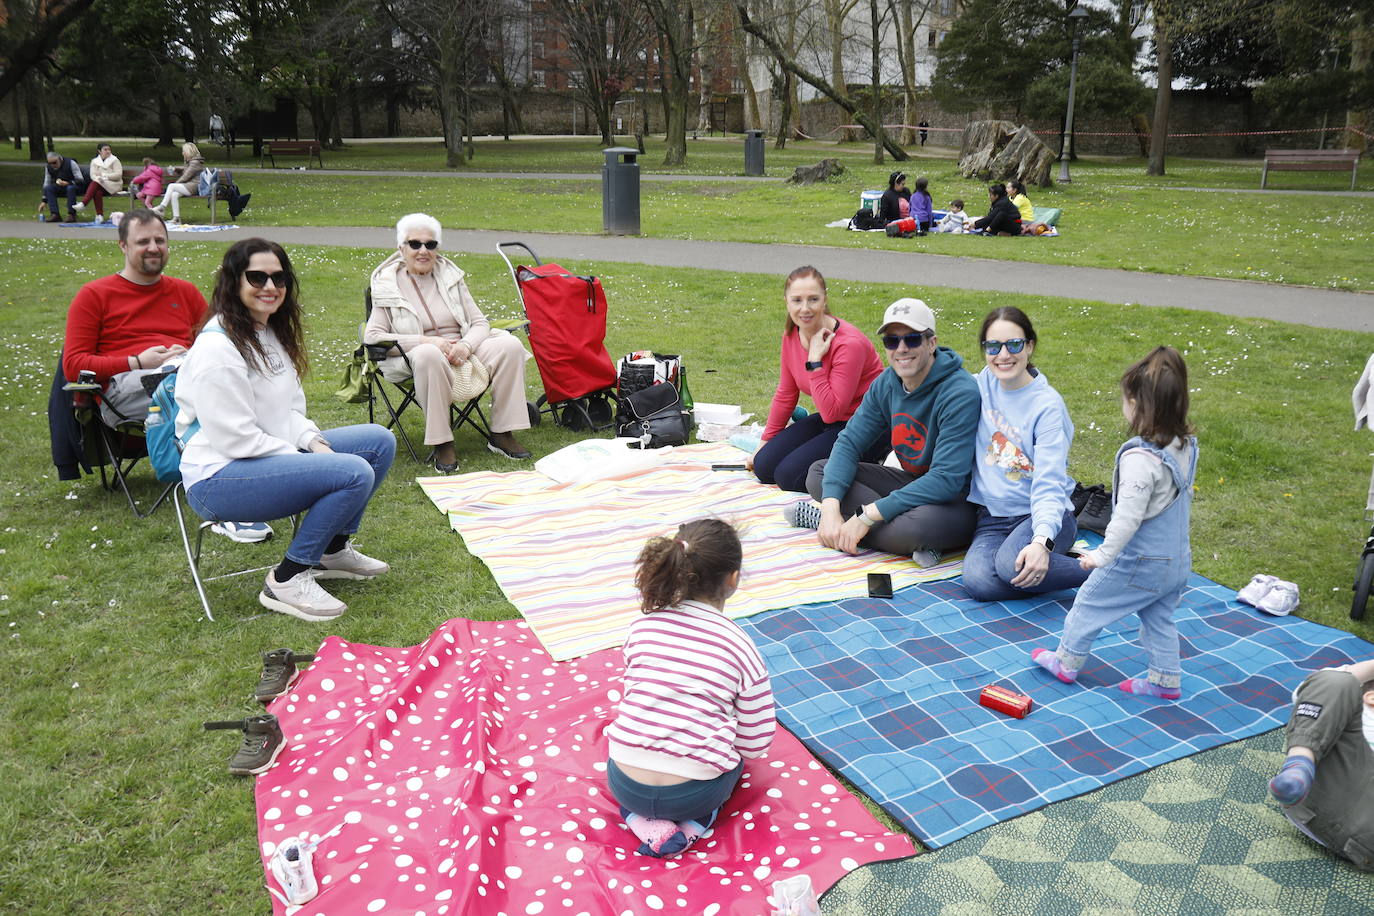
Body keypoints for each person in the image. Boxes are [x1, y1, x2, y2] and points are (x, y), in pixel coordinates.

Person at [175, 238, 396, 621]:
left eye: (279, 278)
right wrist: (309, 460)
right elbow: (235, 439)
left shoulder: (267, 332)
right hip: (219, 477)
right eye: (257, 277)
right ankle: (287, 578)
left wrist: (315, 443)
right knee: (351, 470)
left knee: (378, 442)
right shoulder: (218, 350)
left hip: (263, 456)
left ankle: (331, 551)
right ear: (233, 281)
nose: (270, 287)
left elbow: (289, 412)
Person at [55, 209, 270, 543]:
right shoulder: (94, 295)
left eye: (160, 240)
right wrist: (137, 360)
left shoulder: (184, 293)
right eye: (143, 241)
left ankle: (265, 472)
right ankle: (230, 502)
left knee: (231, 375)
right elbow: (74, 364)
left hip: (183, 375)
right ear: (123, 245)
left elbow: (216, 342)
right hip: (127, 389)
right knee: (191, 386)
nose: (153, 247)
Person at [1031, 346, 1197, 700]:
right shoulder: (1184, 445)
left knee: (1089, 603)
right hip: (1178, 561)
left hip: (1140, 562)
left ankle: (1066, 662)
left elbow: (1125, 519)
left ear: (1138, 405)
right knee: (1158, 618)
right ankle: (1165, 681)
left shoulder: (1141, 460)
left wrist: (1102, 556)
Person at [605, 518, 775, 857]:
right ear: (733, 579)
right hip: (692, 794)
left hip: (624, 784)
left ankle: (639, 819)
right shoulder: (740, 644)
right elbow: (755, 743)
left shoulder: (641, 626)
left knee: (634, 747)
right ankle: (695, 823)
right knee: (734, 763)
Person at [785, 298, 981, 562]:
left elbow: (947, 480)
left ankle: (847, 525)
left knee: (914, 528)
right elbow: (849, 442)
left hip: (958, 500)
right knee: (819, 473)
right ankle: (838, 521)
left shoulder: (960, 392)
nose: (901, 349)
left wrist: (869, 515)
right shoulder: (887, 382)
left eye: (912, 339)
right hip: (913, 484)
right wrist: (832, 507)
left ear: (931, 343)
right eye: (891, 341)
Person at [366, 212, 533, 472]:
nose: (423, 250)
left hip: (461, 347)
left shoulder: (450, 276)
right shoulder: (386, 284)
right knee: (427, 355)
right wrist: (427, 342)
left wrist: (465, 346)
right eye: (415, 244)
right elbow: (374, 336)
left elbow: (479, 323)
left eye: (430, 244)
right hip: (417, 356)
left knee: (509, 346)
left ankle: (502, 433)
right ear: (401, 248)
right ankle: (442, 441)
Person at [961, 307, 1088, 601]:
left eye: (1014, 345)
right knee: (978, 580)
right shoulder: (980, 386)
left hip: (1040, 514)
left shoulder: (1048, 407)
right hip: (991, 518)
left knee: (1008, 567)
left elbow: (1049, 482)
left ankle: (1109, 574)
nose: (1003, 355)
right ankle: (1055, 566)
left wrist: (1042, 541)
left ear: (1029, 346)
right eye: (993, 346)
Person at [749, 266, 885, 493]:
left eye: (813, 299)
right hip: (831, 420)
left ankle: (874, 464)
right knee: (763, 466)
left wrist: (815, 362)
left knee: (788, 477)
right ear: (786, 302)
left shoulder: (849, 344)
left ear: (824, 300)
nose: (805, 308)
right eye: (797, 300)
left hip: (868, 424)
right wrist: (763, 443)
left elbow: (832, 410)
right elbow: (786, 392)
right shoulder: (792, 334)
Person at [1268, 660, 1374, 871]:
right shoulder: (1352, 713)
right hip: (1330, 804)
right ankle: (1299, 766)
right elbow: (1319, 687)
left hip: (1365, 830)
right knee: (1335, 682)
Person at [75, 143, 122, 222]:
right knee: (97, 191)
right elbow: (92, 175)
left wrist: (104, 176)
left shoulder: (115, 160)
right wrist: (99, 178)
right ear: (99, 151)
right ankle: (99, 216)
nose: (108, 151)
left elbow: (118, 175)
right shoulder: (95, 161)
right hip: (100, 184)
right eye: (105, 149)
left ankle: (84, 203)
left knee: (95, 184)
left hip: (113, 184)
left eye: (109, 149)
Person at [42, 151, 85, 223]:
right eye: (50, 163)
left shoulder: (71, 163)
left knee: (70, 188)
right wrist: (44, 200)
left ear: (59, 159)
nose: (52, 165)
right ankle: (55, 214)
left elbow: (80, 179)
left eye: (54, 162)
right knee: (49, 188)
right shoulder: (48, 167)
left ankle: (72, 215)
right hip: (60, 187)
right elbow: (47, 182)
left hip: (75, 186)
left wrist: (68, 183)